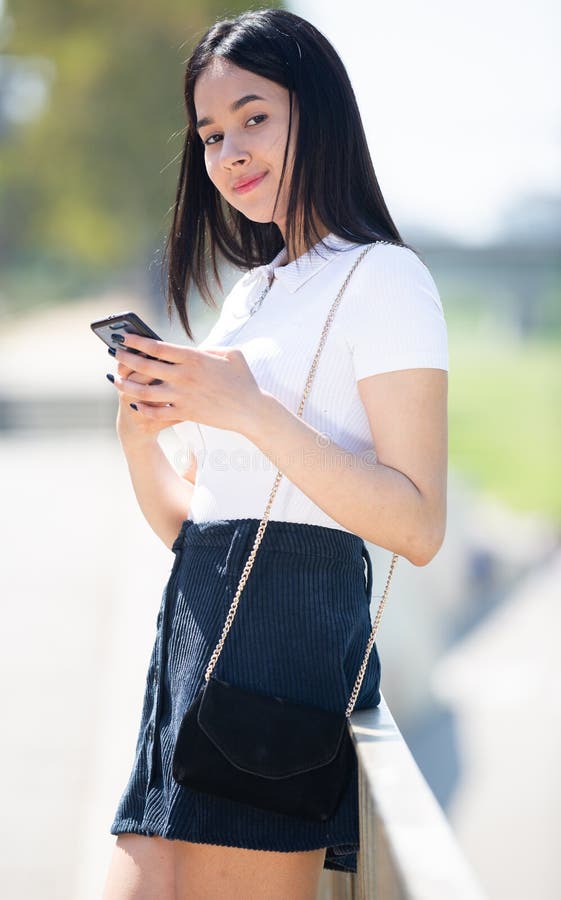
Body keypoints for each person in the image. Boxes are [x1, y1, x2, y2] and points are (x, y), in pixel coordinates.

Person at [101, 7, 448, 899]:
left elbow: (416, 524)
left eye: (254, 116)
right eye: (212, 134)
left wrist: (248, 411)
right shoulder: (254, 293)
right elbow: (194, 529)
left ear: (319, 111)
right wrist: (140, 440)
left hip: (280, 667)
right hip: (189, 655)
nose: (230, 152)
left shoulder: (385, 278)